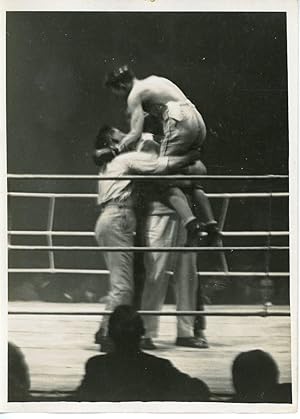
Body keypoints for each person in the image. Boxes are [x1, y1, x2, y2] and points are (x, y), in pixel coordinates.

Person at [93, 126, 200, 351]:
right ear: (113, 144)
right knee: (126, 284)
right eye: (120, 135)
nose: (127, 134)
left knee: (126, 283)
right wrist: (188, 157)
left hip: (116, 217)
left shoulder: (115, 162)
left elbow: (196, 172)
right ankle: (107, 332)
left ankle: (105, 330)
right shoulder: (127, 159)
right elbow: (161, 166)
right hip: (120, 215)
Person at [104, 65, 220, 246]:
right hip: (196, 119)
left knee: (163, 178)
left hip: (179, 120)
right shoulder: (155, 80)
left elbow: (135, 132)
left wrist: (117, 148)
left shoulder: (134, 94)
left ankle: (192, 225)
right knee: (191, 179)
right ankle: (211, 225)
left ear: (121, 86)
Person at [75, 305, 210, 401]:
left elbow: (79, 400)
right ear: (143, 332)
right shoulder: (159, 366)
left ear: (110, 334)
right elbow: (200, 389)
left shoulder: (97, 366)